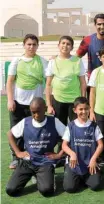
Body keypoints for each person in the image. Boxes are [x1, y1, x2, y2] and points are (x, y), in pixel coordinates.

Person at [6, 97, 66, 197]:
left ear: (45, 109)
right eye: (33, 112)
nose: (36, 115)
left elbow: (68, 136)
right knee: (11, 190)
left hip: (45, 161)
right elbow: (10, 134)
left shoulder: (54, 122)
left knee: (47, 191)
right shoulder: (26, 122)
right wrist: (18, 152)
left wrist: (59, 154)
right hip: (28, 161)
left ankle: (46, 176)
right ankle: (33, 174)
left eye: (38, 111)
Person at [6, 34, 48, 169]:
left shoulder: (42, 61)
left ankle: (34, 156)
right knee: (16, 131)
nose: (31, 47)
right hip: (18, 103)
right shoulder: (17, 61)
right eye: (29, 44)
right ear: (24, 45)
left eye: (34, 44)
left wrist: (47, 101)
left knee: (34, 132)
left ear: (37, 46)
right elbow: (10, 82)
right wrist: (10, 100)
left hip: (35, 105)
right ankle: (15, 157)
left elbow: (48, 82)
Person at [62, 97, 104, 193]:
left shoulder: (94, 126)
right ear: (75, 110)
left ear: (89, 109)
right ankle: (75, 176)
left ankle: (92, 174)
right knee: (69, 188)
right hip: (75, 164)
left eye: (86, 109)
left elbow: (100, 145)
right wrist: (72, 154)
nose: (84, 112)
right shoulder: (71, 126)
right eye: (80, 109)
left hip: (90, 163)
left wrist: (93, 159)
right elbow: (64, 145)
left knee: (95, 186)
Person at [46, 35, 87, 126]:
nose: (65, 46)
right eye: (63, 43)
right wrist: (49, 105)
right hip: (58, 100)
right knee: (59, 129)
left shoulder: (77, 61)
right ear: (58, 45)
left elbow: (83, 83)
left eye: (68, 44)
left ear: (72, 47)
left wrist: (83, 100)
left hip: (74, 101)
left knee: (77, 127)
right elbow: (48, 85)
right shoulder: (53, 62)